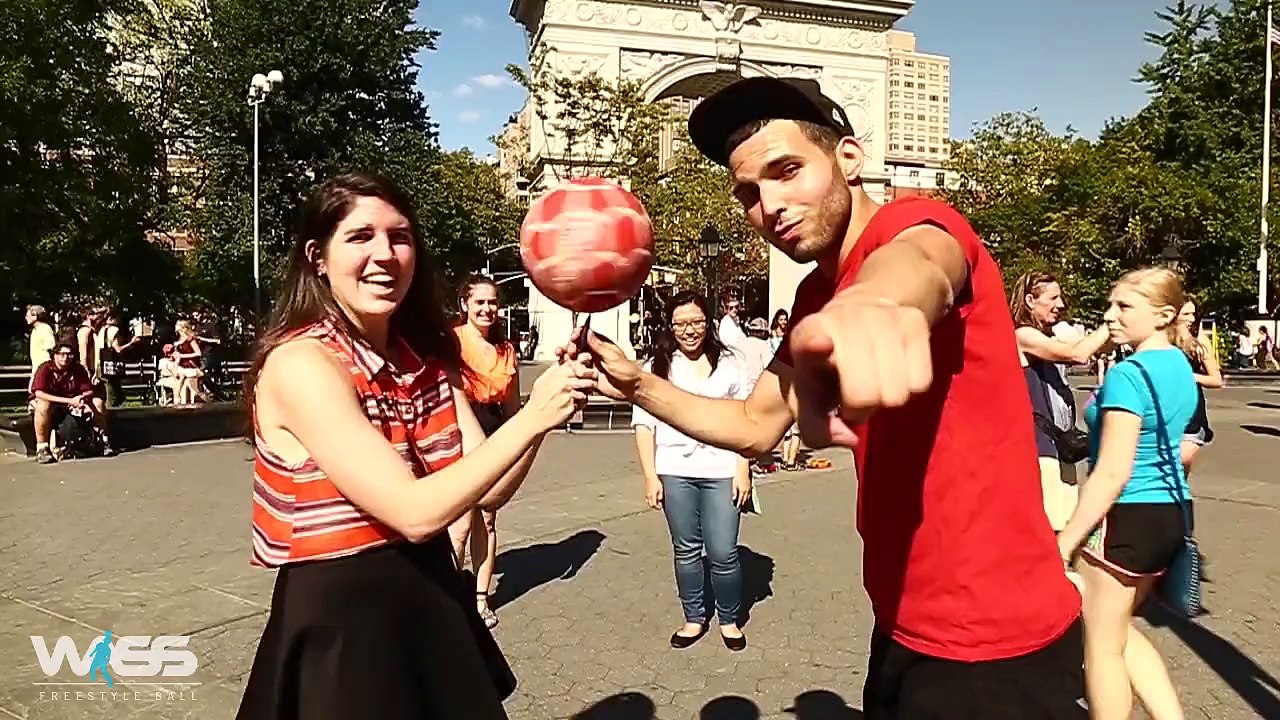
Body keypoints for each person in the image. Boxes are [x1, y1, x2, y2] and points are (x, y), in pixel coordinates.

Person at [565, 76, 1084, 719]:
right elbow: (757, 425)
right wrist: (638, 384)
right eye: (749, 193)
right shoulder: (814, 294)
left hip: (995, 640)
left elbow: (921, 266)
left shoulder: (921, 223)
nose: (770, 205)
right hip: (901, 616)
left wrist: (874, 303)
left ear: (848, 158)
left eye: (788, 171)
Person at [236, 173, 594, 720]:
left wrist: (546, 411)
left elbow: (489, 490)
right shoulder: (302, 362)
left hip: (427, 594)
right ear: (318, 258)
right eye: (360, 237)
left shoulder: (422, 360)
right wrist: (534, 416)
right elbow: (415, 512)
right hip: (344, 621)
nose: (385, 254)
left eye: (400, 236)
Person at [1056, 267, 1196, 720]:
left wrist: (1064, 541)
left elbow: (1113, 472)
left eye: (1124, 307)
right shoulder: (1179, 364)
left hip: (1126, 514)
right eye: (1111, 304)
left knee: (1101, 648)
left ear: (1163, 315)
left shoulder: (1128, 375)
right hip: (1168, 513)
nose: (1110, 316)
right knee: (1118, 630)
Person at [632, 291, 752, 651]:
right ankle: (694, 616)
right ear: (670, 327)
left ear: (709, 322)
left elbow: (746, 418)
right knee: (686, 549)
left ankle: (729, 619)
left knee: (723, 551)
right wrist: (650, 475)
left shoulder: (732, 362)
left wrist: (743, 469)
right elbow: (643, 424)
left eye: (697, 322)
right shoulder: (657, 367)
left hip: (721, 467)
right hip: (674, 468)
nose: (689, 330)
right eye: (681, 323)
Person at [448, 274, 522, 630]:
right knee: (459, 522)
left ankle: (481, 598)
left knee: (488, 520)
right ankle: (446, 597)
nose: (487, 308)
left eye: (492, 302)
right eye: (480, 302)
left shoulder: (508, 350)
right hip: (459, 431)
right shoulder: (451, 342)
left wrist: (519, 445)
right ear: (465, 305)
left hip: (495, 434)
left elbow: (512, 407)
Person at [1009, 271, 1111, 532]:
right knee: (1053, 527)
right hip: (1040, 448)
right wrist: (1113, 321)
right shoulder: (1023, 335)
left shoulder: (1050, 333)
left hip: (1059, 444)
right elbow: (1079, 354)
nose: (1061, 304)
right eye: (1053, 298)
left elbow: (1092, 348)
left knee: (1065, 523)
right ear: (1031, 301)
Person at [30, 341, 114, 463]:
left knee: (97, 402)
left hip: (74, 403)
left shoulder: (77, 369)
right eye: (62, 354)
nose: (66, 358)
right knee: (43, 404)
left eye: (69, 354)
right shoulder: (45, 369)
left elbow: (89, 390)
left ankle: (103, 440)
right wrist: (69, 401)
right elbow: (39, 393)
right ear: (55, 355)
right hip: (52, 404)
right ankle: (42, 448)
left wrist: (81, 399)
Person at [1175, 297, 1221, 476]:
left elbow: (1216, 380)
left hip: (1191, 417)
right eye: (1186, 314)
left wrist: (1190, 377)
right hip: (1163, 413)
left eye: (1193, 314)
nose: (1191, 319)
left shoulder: (1199, 342)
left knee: (1177, 473)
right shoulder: (1160, 341)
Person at [25, 305, 57, 386]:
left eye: (28, 315)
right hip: (36, 368)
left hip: (45, 368)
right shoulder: (35, 330)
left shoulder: (45, 329)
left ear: (35, 316)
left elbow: (51, 348)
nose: (26, 318)